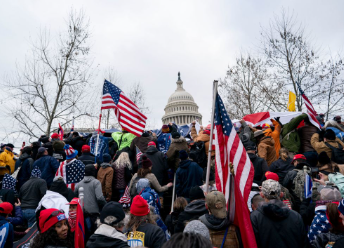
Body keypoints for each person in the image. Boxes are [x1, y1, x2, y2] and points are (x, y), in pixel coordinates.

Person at [250, 179, 308, 248]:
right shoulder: (296, 216)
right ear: (281, 194)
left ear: (262, 194)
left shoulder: (255, 217)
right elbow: (304, 243)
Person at [75, 164, 106, 237]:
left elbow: (75, 196)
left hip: (82, 214)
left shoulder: (79, 184)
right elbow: (100, 198)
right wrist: (105, 205)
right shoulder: (96, 182)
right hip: (94, 214)